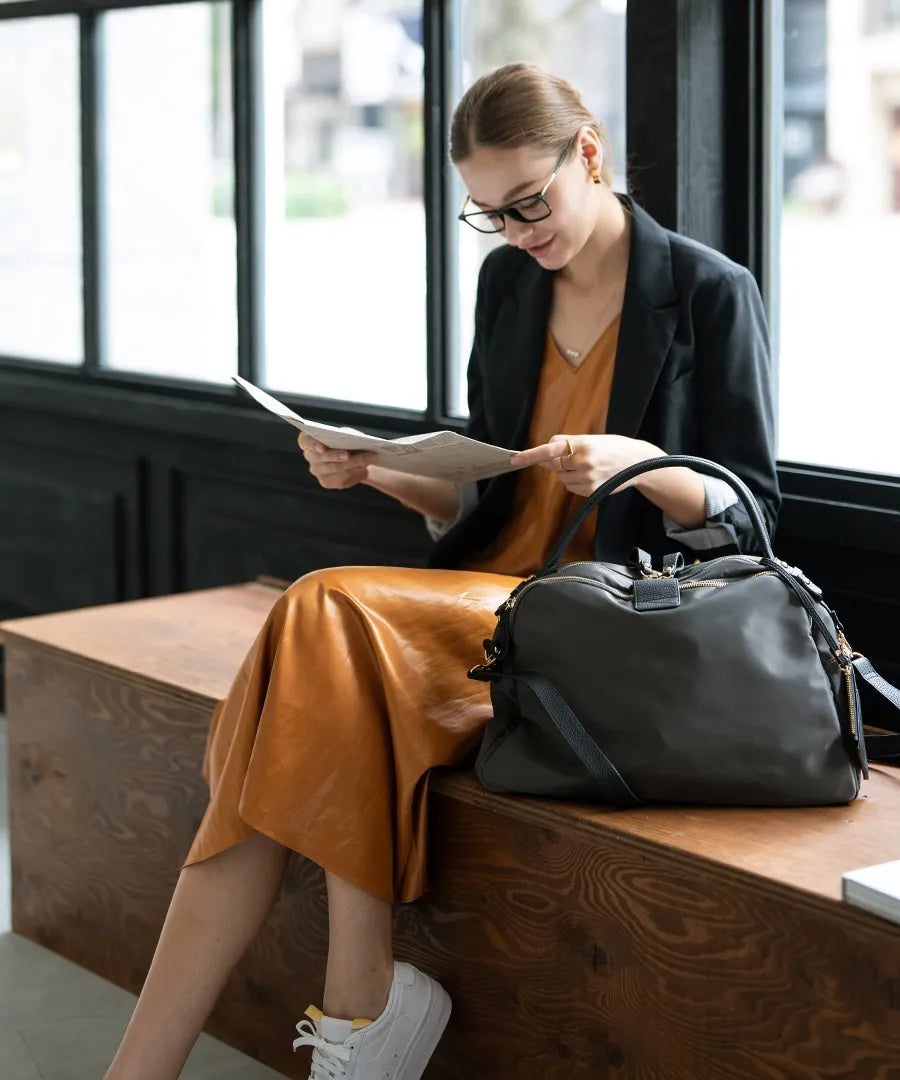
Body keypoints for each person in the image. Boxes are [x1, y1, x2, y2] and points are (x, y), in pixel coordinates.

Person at [104, 62, 779, 1080]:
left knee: (317, 615)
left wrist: (639, 465)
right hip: (485, 604)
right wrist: (379, 472)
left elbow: (755, 517)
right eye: (490, 216)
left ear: (588, 155)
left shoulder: (709, 293)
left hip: (607, 621)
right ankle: (283, 1031)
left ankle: (361, 1000)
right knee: (316, 642)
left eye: (529, 204)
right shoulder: (508, 284)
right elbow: (482, 501)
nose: (515, 234)